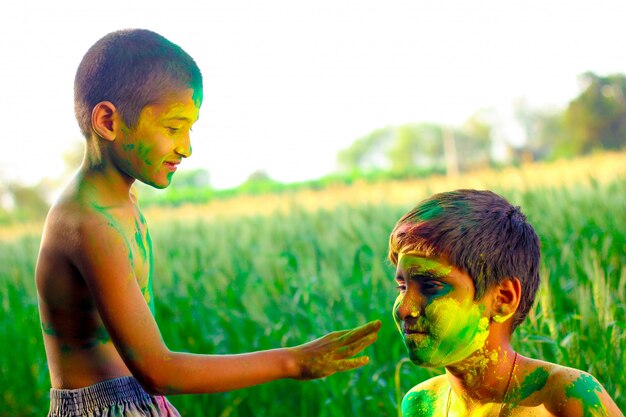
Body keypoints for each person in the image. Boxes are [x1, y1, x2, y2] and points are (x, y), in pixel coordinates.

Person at [35, 28, 381, 417]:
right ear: (108, 121)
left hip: (141, 404)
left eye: (189, 128)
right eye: (172, 128)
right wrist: (293, 361)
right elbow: (158, 370)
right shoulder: (89, 223)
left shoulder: (120, 200)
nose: (186, 147)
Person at [388, 190, 622, 417]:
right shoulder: (421, 404)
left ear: (503, 299)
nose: (404, 308)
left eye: (430, 287)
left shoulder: (567, 397)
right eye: (402, 287)